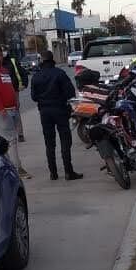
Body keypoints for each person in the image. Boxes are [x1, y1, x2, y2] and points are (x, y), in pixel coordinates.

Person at [31, 50, 83, 180]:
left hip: (44, 112)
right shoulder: (60, 74)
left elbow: (33, 97)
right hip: (60, 110)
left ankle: (53, 173)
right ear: (52, 59)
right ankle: (68, 171)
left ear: (41, 60)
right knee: (65, 141)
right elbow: (70, 92)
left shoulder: (36, 76)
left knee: (49, 143)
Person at [0, 43, 31, 179]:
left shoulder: (3, 70)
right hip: (1, 111)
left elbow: (9, 87)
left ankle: (8, 166)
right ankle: (17, 168)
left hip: (11, 109)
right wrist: (1, 108)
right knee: (11, 140)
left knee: (8, 139)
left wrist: (15, 103)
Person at [2, 50, 27, 142]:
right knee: (5, 114)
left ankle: (20, 134)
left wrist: (24, 83)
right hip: (3, 92)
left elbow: (22, 72)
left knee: (15, 111)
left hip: (14, 90)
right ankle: (10, 134)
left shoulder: (12, 61)